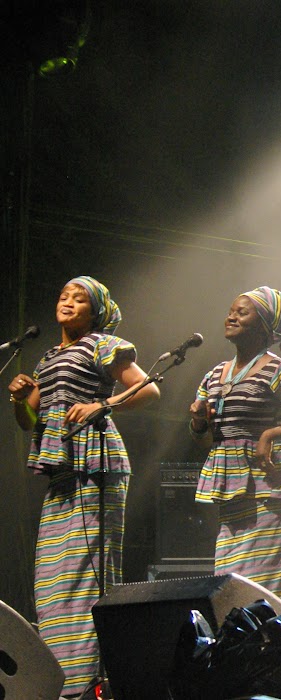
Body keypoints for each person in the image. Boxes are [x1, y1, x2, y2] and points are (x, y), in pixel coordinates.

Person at [7, 275, 160, 695]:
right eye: (64, 296)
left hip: (96, 462)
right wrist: (19, 399)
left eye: (80, 299)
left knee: (87, 573)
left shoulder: (102, 344)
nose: (68, 302)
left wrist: (102, 404)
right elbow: (29, 421)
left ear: (96, 313)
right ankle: (59, 677)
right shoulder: (48, 358)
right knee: (53, 576)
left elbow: (149, 390)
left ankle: (87, 683)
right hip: (61, 469)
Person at [188, 286, 281, 604]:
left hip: (273, 490)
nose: (232, 317)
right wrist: (199, 421)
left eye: (242, 312)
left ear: (265, 326)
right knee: (229, 592)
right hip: (232, 493)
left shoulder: (279, 370)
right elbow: (206, 439)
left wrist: (273, 434)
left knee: (262, 595)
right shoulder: (214, 375)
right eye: (231, 311)